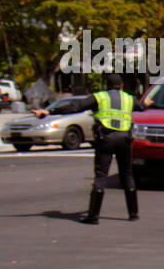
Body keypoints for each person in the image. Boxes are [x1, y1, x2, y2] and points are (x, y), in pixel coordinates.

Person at [32, 72, 145, 224]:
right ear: (122, 86)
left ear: (106, 86)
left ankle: (94, 216)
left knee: (100, 176)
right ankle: (133, 214)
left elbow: (75, 106)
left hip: (106, 138)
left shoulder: (100, 97)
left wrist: (49, 112)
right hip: (124, 139)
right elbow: (141, 107)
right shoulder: (128, 98)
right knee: (127, 175)